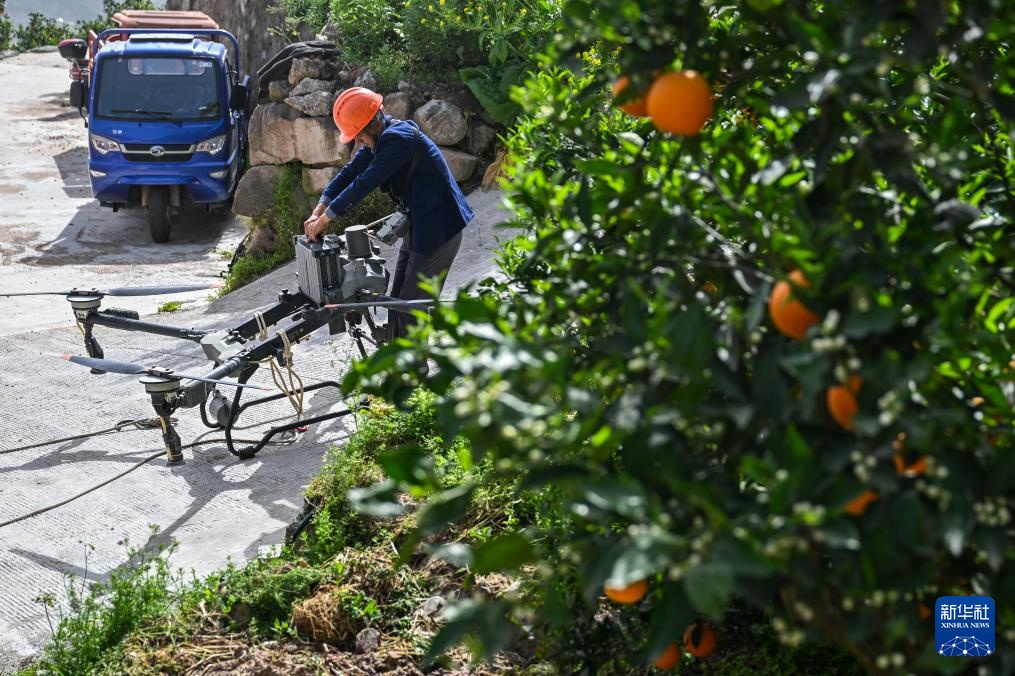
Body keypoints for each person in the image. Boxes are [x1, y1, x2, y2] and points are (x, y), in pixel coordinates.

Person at [304, 87, 473, 341]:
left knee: (410, 306)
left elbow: (365, 183)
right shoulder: (381, 139)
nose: (359, 143)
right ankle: (398, 355)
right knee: (398, 302)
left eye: (359, 137)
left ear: (371, 125)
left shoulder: (398, 140)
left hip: (441, 229)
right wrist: (320, 207)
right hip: (421, 225)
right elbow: (350, 173)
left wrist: (327, 219)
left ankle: (413, 371)